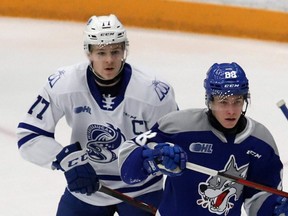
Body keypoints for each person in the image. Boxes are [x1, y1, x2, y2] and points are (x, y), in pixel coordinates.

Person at [16, 14, 178, 216]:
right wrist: (66, 160)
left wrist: (155, 158)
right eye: (101, 53)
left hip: (142, 190)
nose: (109, 60)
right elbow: (28, 136)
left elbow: (173, 145)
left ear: (124, 51)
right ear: (89, 53)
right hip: (87, 188)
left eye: (115, 51)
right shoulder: (64, 84)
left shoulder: (153, 92)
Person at [119, 62, 288, 215]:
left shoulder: (260, 142)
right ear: (210, 100)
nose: (231, 110)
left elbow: (260, 197)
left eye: (237, 101)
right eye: (223, 102)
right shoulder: (179, 126)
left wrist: (276, 209)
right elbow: (128, 166)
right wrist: (153, 157)